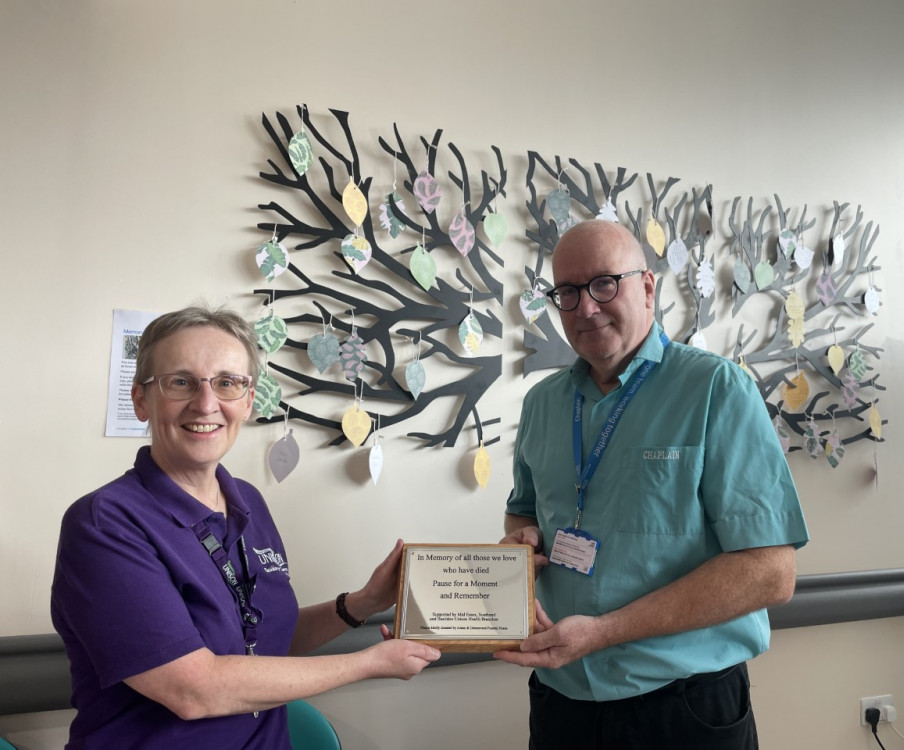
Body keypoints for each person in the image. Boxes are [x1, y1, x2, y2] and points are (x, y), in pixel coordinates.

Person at [51, 305, 440, 749]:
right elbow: (192, 689)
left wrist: (362, 603)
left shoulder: (248, 501)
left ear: (249, 401)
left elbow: (261, 640)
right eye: (180, 382)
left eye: (227, 383)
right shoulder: (105, 523)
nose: (206, 403)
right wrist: (366, 663)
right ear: (141, 399)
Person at [497, 220, 809, 749]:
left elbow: (770, 574)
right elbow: (523, 512)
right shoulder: (542, 403)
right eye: (567, 292)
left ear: (647, 286)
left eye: (603, 284)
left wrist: (602, 632)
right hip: (560, 702)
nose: (585, 308)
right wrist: (520, 540)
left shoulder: (716, 389)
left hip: (681, 708)